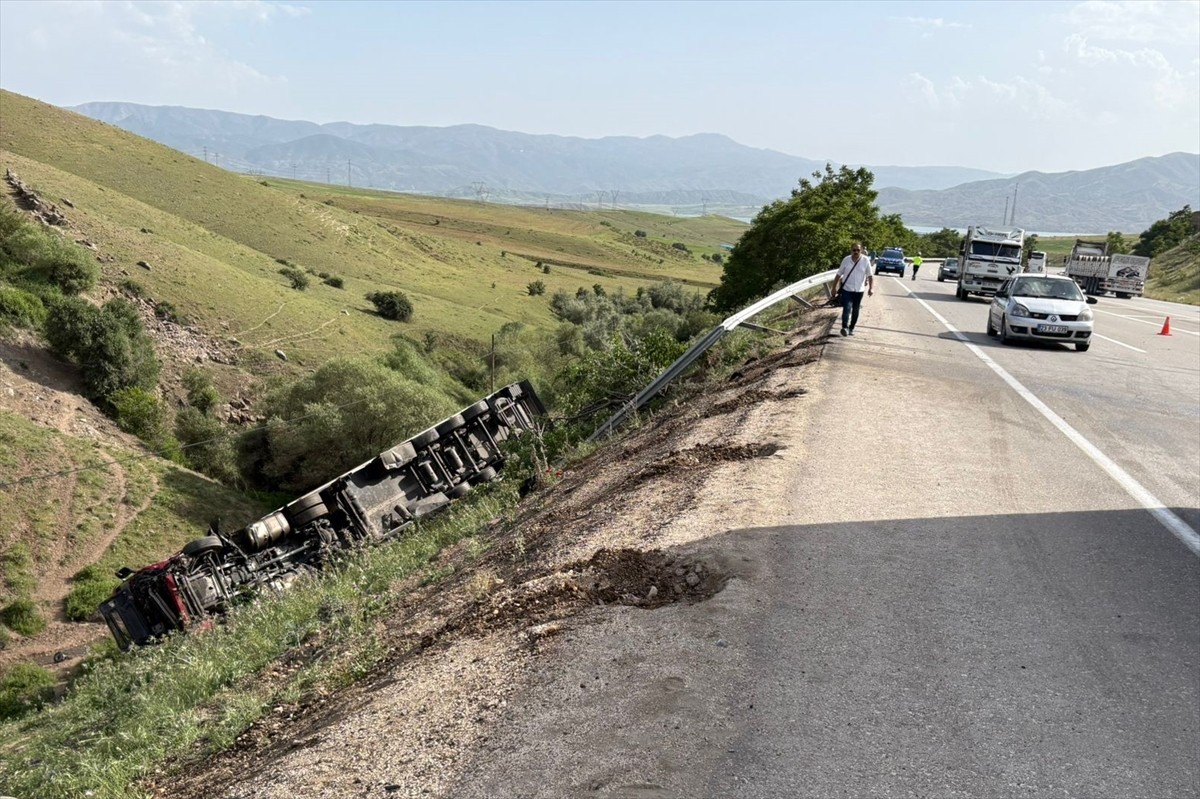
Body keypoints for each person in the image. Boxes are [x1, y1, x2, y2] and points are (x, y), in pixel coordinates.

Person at [833, 243, 874, 336]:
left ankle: (852, 327)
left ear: (862, 250)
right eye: (854, 250)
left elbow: (870, 276)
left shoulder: (865, 260)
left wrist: (871, 288)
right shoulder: (846, 260)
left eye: (858, 250)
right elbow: (838, 274)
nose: (856, 252)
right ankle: (845, 328)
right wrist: (833, 288)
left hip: (859, 290)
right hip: (847, 289)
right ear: (851, 250)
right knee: (847, 308)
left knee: (855, 310)